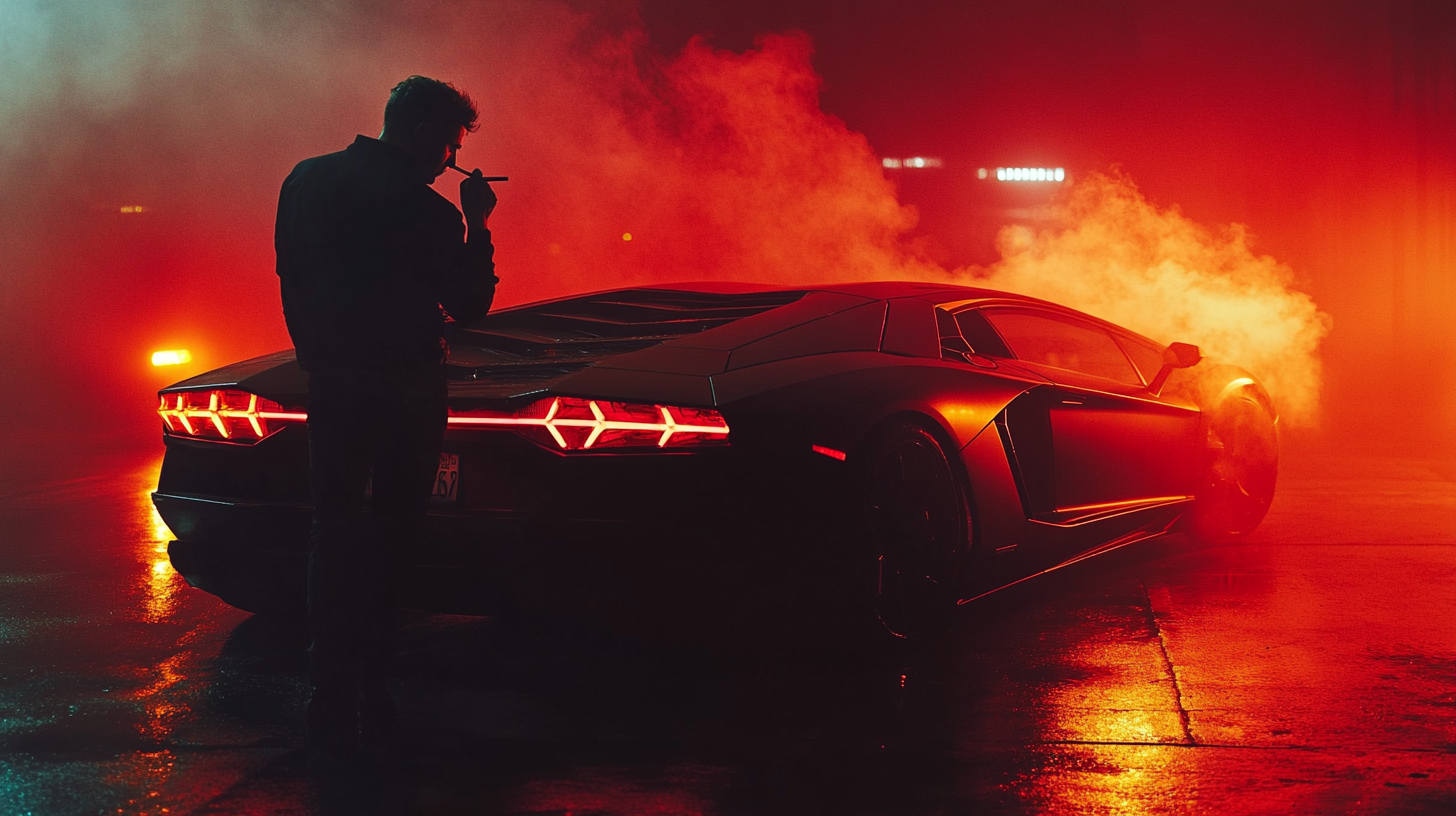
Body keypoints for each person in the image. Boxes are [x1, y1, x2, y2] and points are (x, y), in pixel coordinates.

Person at [275, 75, 499, 754]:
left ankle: (327, 681)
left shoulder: (305, 181)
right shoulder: (429, 213)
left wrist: (317, 353)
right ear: (430, 134)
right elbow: (469, 305)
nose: (450, 162)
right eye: (452, 148)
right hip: (406, 386)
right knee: (395, 532)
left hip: (334, 382)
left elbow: (290, 275)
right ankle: (375, 679)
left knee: (332, 530)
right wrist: (480, 222)